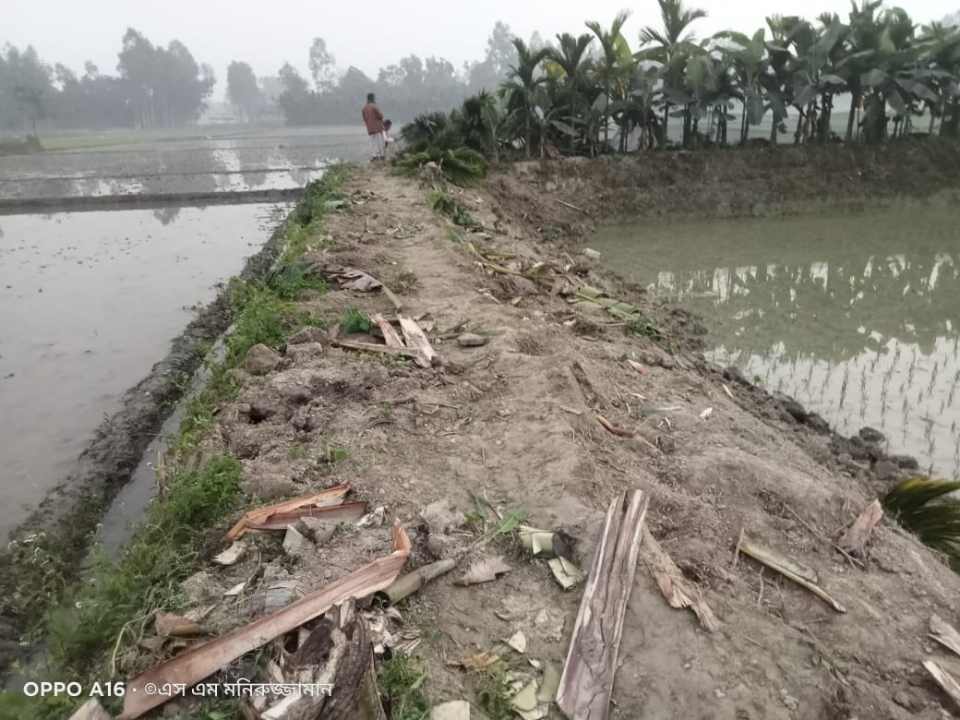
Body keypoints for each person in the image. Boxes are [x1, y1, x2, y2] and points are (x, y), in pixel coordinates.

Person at [361, 93, 386, 161]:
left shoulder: (364, 108)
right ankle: (382, 156)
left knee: (372, 142)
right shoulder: (374, 106)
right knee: (380, 142)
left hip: (370, 128)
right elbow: (380, 116)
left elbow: (364, 118)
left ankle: (374, 156)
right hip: (378, 128)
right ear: (372, 98)